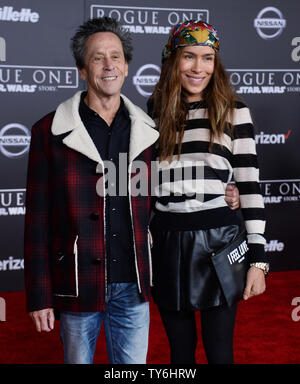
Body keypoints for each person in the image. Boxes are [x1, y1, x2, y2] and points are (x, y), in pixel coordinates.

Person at [23, 16, 160, 364]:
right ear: (83, 70)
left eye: (116, 56)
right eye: (98, 58)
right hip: (77, 283)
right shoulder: (48, 131)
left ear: (127, 67)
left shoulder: (148, 132)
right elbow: (37, 220)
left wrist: (225, 195)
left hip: (134, 286)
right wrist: (39, 296)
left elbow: (163, 200)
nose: (109, 65)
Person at [148, 20, 269, 364]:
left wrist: (259, 260)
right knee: (179, 355)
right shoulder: (153, 110)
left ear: (216, 64)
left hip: (219, 241)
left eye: (207, 58)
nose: (198, 67)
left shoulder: (234, 110)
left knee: (220, 353)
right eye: (189, 56)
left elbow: (248, 186)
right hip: (167, 242)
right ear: (172, 59)